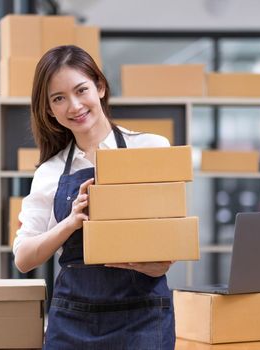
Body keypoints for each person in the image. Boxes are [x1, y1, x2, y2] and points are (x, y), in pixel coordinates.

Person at [12, 45, 176, 349]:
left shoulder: (152, 149)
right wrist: (70, 223)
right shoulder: (50, 172)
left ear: (100, 87)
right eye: (58, 98)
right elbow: (23, 258)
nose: (74, 106)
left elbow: (167, 249)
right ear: (49, 109)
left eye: (81, 90)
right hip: (72, 320)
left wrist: (152, 265)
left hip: (142, 317)